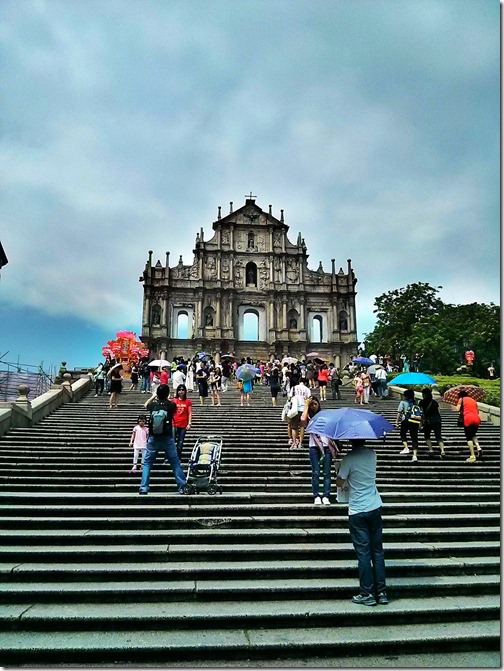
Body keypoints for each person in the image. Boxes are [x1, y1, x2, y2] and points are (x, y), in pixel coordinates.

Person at [336, 439, 388, 606]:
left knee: (363, 553)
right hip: (374, 506)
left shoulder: (348, 459)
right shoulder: (372, 454)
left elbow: (339, 481)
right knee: (377, 552)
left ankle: (367, 593)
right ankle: (381, 592)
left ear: (351, 441)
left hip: (358, 509)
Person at [139, 384, 187, 495]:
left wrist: (153, 396)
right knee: (175, 462)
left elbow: (146, 405)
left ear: (157, 394)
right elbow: (173, 411)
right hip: (167, 437)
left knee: (147, 463)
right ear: (167, 394)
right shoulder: (171, 405)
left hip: (153, 437)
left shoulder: (152, 405)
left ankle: (144, 487)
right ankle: (182, 486)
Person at [301, 397, 337, 505]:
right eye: (312, 404)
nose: (313, 406)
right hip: (314, 447)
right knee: (315, 472)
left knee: (327, 473)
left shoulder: (324, 416)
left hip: (326, 447)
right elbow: (302, 420)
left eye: (315, 404)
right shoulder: (309, 418)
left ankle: (326, 495)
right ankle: (316, 495)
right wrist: (306, 405)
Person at [456, 388, 482, 463]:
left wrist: (459, 407)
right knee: (473, 434)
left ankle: (472, 455)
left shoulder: (461, 399)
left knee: (468, 438)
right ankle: (478, 447)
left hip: (468, 419)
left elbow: (457, 409)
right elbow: (477, 411)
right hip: (477, 419)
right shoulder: (473, 400)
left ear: (460, 396)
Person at [419, 388, 445, 459]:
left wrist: (421, 423)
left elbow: (422, 413)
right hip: (437, 420)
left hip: (428, 421)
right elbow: (439, 412)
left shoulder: (422, 402)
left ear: (424, 394)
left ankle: (431, 450)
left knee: (427, 435)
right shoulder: (435, 402)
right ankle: (442, 451)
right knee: (438, 436)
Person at [396, 389, 421, 461]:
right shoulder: (416, 402)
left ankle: (406, 448)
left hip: (406, 420)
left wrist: (397, 421)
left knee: (403, 433)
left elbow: (399, 412)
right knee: (414, 437)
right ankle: (415, 455)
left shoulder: (403, 402)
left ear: (405, 396)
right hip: (415, 421)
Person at [287, 379, 311, 448]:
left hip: (295, 409)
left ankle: (294, 443)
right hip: (303, 409)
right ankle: (300, 443)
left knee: (294, 427)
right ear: (305, 383)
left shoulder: (294, 388)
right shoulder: (307, 389)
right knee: (302, 427)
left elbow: (289, 397)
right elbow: (309, 399)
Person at [172, 384, 192, 459]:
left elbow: (189, 413)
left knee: (180, 442)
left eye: (182, 390)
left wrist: (189, 423)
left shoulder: (188, 401)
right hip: (174, 423)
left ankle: (178, 457)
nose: (181, 391)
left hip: (183, 425)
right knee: (172, 442)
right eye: (179, 390)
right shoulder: (174, 400)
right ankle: (170, 457)